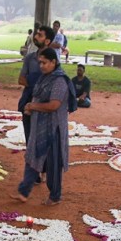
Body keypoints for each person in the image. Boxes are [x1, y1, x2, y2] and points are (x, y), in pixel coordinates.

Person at [14, 48, 74, 206]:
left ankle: (55, 196)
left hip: (53, 128)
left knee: (53, 163)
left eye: (44, 62)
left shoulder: (59, 81)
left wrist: (33, 106)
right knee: (33, 156)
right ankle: (23, 191)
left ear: (54, 62)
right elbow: (37, 96)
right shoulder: (44, 78)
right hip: (39, 126)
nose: (41, 65)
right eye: (40, 62)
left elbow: (54, 105)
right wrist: (30, 107)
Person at [17, 25, 53, 144]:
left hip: (44, 104)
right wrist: (38, 83)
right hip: (28, 101)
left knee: (42, 139)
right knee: (29, 136)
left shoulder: (53, 60)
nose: (36, 37)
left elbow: (54, 82)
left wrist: (32, 81)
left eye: (40, 35)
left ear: (47, 41)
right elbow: (21, 80)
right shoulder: (29, 58)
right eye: (36, 34)